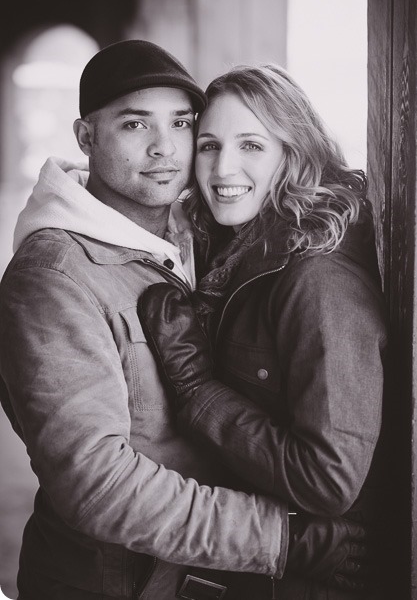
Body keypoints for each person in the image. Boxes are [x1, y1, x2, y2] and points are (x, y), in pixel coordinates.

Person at [0, 42, 368, 600]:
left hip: (198, 579)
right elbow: (94, 482)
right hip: (106, 583)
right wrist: (279, 539)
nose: (164, 148)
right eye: (134, 124)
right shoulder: (54, 276)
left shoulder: (196, 236)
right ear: (85, 138)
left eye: (182, 124)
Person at [138, 64, 389, 599]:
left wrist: (197, 389)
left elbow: (327, 478)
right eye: (209, 145)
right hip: (245, 563)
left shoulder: (318, 279)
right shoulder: (233, 250)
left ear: (293, 155)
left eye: (251, 144)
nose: (223, 166)